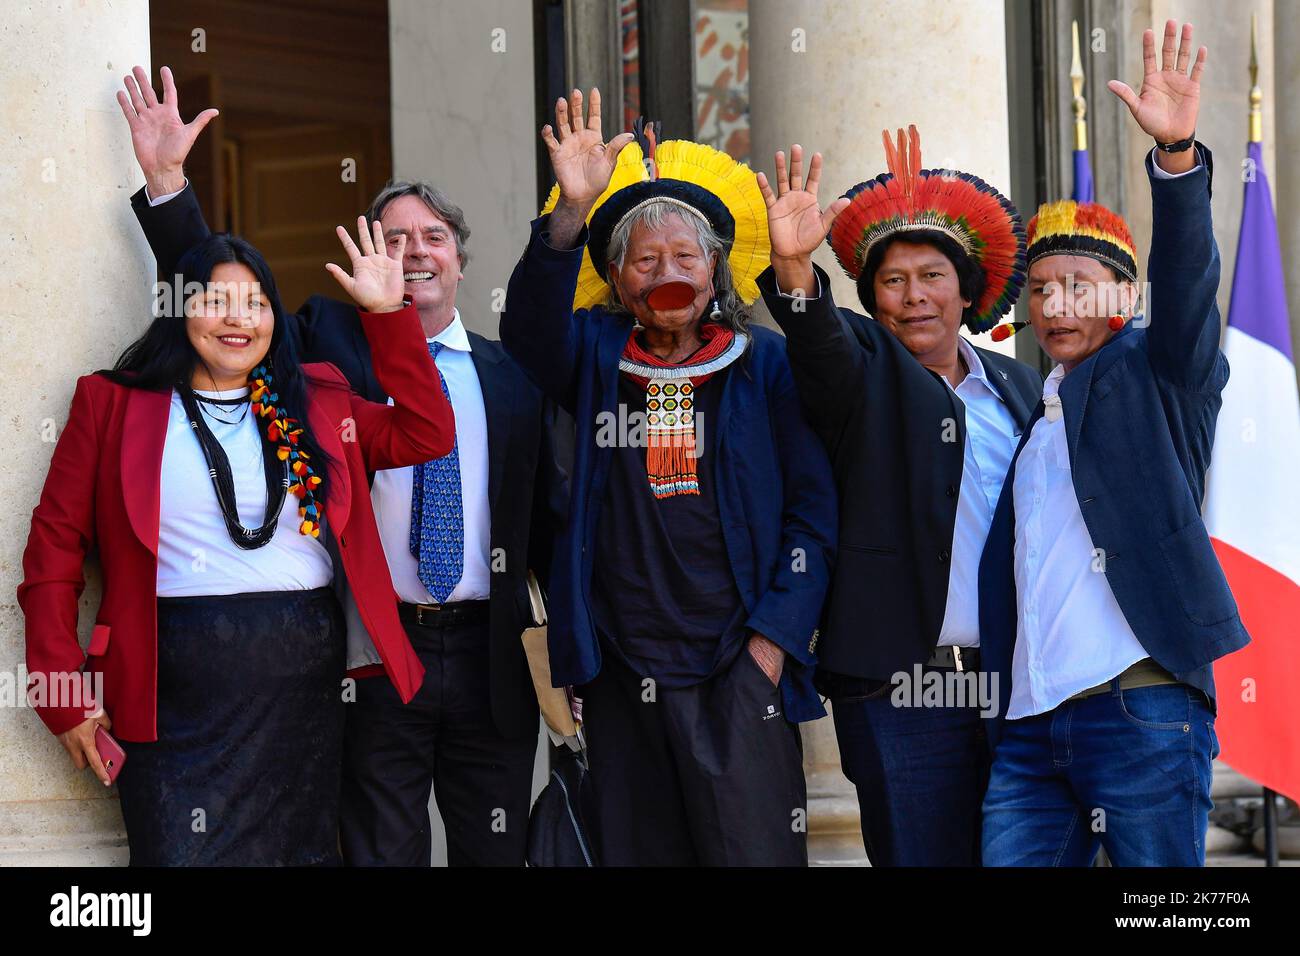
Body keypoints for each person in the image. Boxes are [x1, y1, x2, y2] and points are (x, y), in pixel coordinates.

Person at [119, 65, 566, 866]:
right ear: (363, 255)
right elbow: (223, 298)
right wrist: (167, 187)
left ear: (460, 261)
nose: (413, 254)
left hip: (490, 659)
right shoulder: (323, 343)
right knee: (379, 853)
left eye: (432, 238)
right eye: (392, 239)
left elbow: (554, 519)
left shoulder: (511, 376)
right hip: (377, 649)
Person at [19, 203, 455, 864]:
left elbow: (429, 433)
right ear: (179, 309)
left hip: (301, 700)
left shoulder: (320, 398)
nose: (237, 319)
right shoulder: (111, 406)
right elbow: (52, 555)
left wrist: (388, 318)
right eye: (216, 300)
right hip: (168, 704)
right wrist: (62, 696)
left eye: (255, 304)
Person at [501, 90, 837, 865]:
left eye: (686, 257)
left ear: (716, 269)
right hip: (621, 670)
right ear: (616, 281)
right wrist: (570, 215)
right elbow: (528, 333)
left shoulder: (766, 366)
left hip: (739, 667)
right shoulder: (588, 354)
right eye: (644, 259)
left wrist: (772, 647)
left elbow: (815, 518)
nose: (667, 272)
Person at [977, 21, 1250, 866]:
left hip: (1141, 713)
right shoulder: (1033, 405)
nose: (1056, 305)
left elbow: (1188, 285)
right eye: (1043, 289)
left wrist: (1176, 161)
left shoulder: (1159, 370)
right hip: (1029, 727)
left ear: (1125, 298)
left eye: (1079, 288)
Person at [753, 133, 1042, 865]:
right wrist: (794, 266)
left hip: (1019, 684)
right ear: (871, 299)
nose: (914, 297)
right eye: (892, 281)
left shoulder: (1021, 389)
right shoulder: (861, 374)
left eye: (932, 275)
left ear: (968, 289)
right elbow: (817, 337)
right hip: (899, 692)